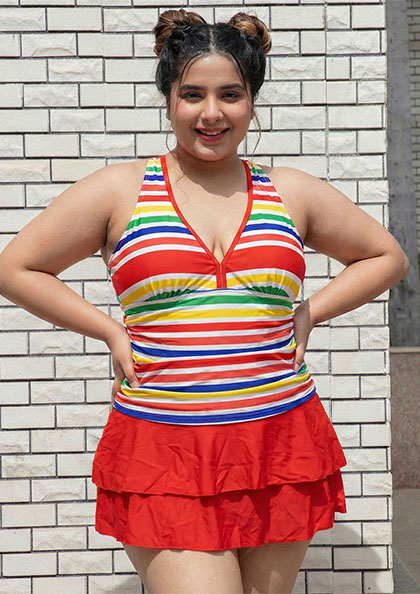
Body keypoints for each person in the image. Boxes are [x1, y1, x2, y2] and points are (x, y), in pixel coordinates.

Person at [0, 7, 409, 594]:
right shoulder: (121, 190)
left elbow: (386, 257)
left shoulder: (289, 191)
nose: (211, 113)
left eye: (230, 95)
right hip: (164, 448)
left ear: (252, 102)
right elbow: (16, 268)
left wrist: (311, 311)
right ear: (168, 99)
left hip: (279, 439)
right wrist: (110, 331)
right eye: (192, 94)